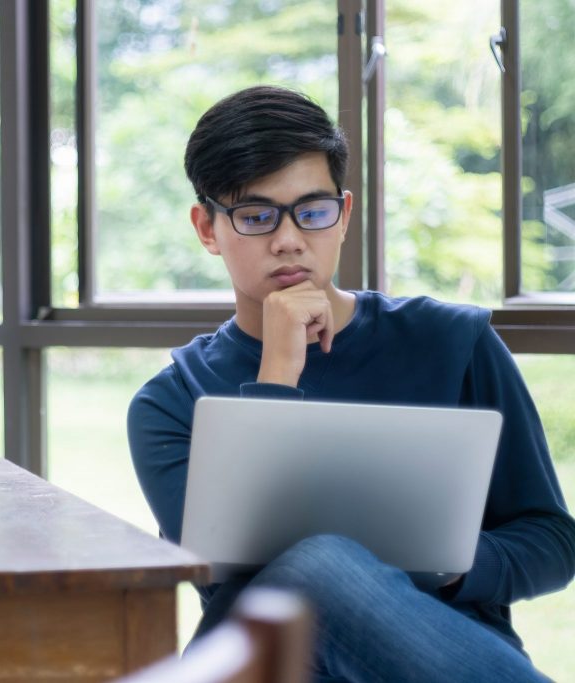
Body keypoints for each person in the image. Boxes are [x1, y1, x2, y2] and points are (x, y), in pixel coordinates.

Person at [126, 85, 575, 682]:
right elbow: (229, 568)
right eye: (256, 216)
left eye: (312, 212)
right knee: (314, 565)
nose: (289, 239)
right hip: (271, 668)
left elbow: (550, 540)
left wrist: (429, 569)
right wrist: (277, 372)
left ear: (344, 215)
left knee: (328, 561)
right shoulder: (171, 402)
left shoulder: (452, 341)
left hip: (437, 656)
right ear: (207, 229)